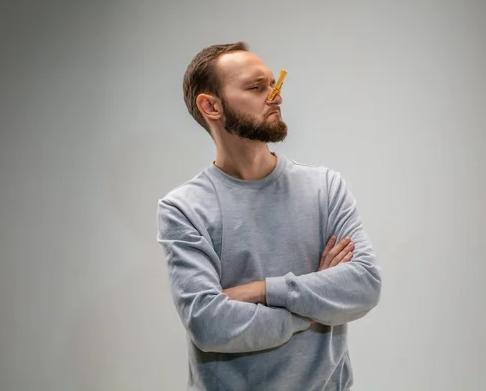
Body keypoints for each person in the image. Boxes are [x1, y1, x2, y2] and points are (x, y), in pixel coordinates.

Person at [156, 41, 382, 391]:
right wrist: (312, 302)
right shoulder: (184, 208)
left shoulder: (325, 187)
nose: (275, 96)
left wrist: (258, 290)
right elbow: (209, 324)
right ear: (211, 106)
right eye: (256, 87)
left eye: (273, 84)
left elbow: (364, 286)